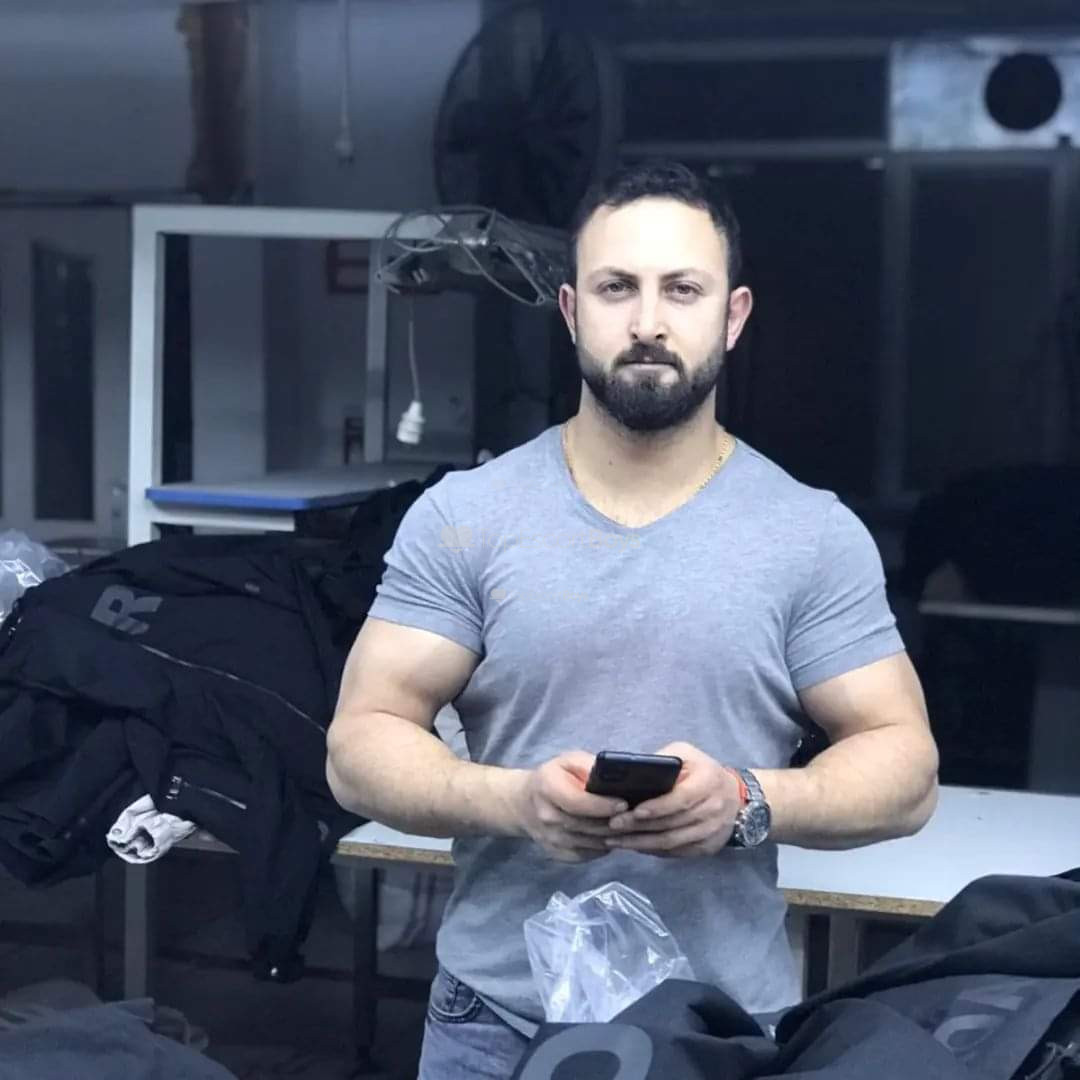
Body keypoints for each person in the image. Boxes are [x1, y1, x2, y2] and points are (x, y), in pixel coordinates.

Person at [325, 160, 940, 1079]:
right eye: (618, 288)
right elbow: (358, 746)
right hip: (495, 1024)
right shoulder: (465, 516)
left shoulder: (810, 534)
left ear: (732, 316)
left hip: (720, 1027)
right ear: (573, 312)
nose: (648, 321)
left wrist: (748, 803)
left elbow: (906, 770)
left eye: (682, 289)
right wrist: (515, 801)